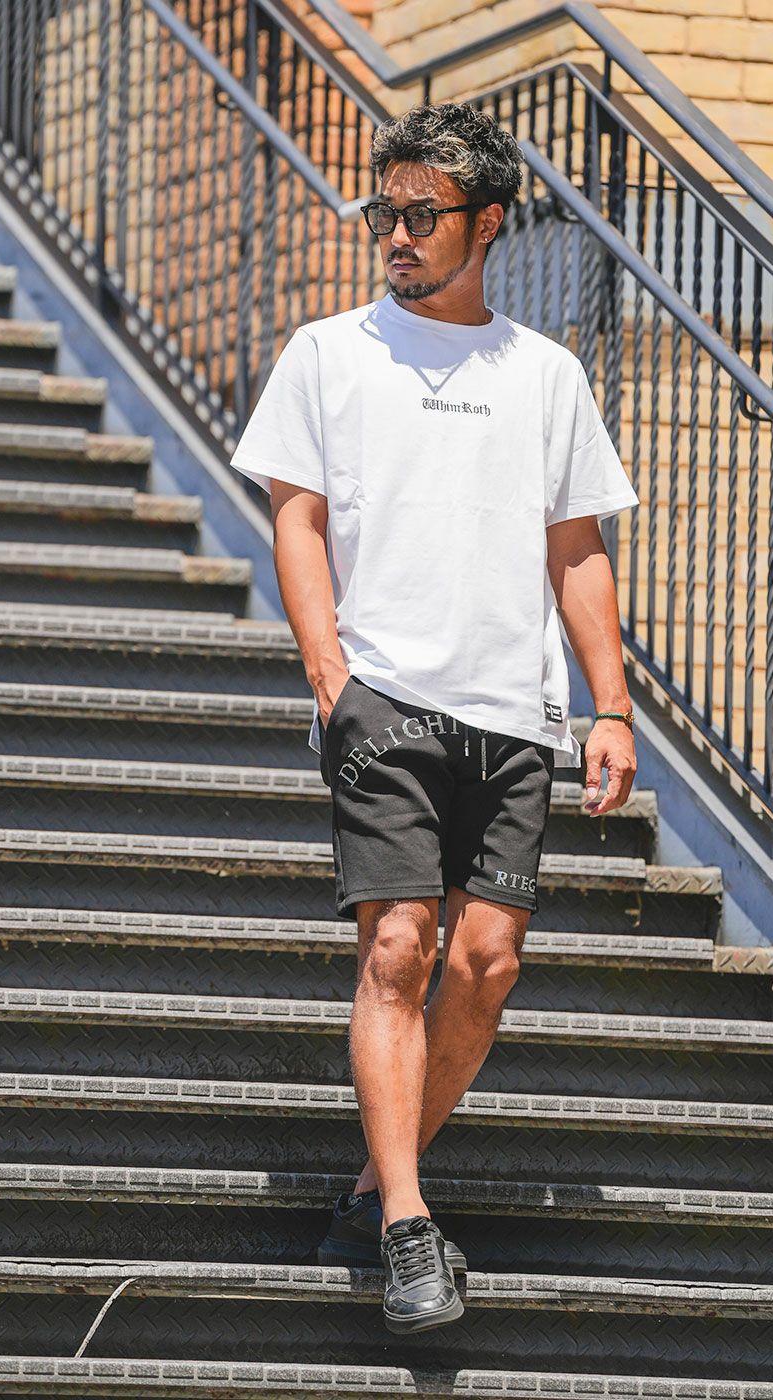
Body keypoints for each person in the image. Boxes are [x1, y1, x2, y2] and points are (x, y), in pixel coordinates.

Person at [229, 101, 640, 1335]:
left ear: (488, 223)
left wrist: (610, 706)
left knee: (485, 962)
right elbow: (297, 518)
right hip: (385, 696)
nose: (396, 233)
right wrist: (330, 678)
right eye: (384, 211)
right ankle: (411, 1220)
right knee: (400, 944)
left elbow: (577, 548)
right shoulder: (328, 352)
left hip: (513, 709)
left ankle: (371, 1184)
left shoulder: (546, 374)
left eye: (423, 214)